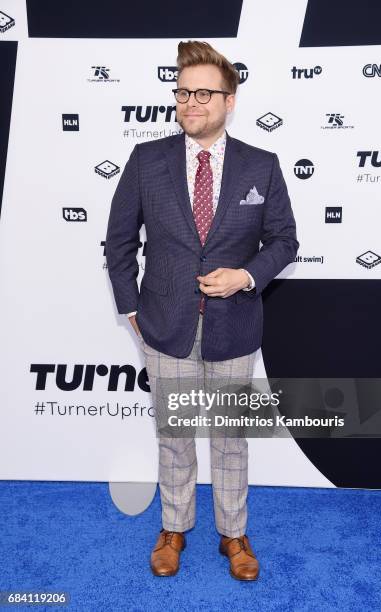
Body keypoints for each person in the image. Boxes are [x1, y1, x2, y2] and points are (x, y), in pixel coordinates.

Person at [105, 40, 299, 581]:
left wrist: (245, 275)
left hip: (234, 326)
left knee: (230, 437)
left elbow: (285, 241)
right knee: (174, 435)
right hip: (163, 325)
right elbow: (119, 241)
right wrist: (130, 309)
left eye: (204, 93)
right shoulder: (147, 161)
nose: (191, 102)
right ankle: (174, 527)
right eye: (183, 92)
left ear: (230, 100)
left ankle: (234, 534)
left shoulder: (262, 165)